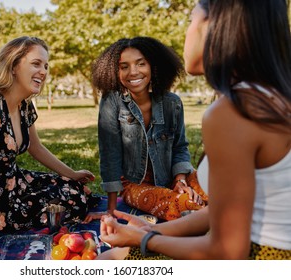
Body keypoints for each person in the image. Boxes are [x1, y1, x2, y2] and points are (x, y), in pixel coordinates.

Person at [98, 0, 291, 260]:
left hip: (264, 258)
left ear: (213, 27)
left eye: (190, 20)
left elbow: (227, 252)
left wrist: (144, 239)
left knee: (109, 259)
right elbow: (219, 212)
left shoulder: (233, 111)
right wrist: (153, 229)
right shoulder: (271, 96)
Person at [0, 36, 95, 255]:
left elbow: (36, 148)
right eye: (36, 63)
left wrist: (73, 174)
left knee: (75, 190)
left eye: (46, 66)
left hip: (17, 182)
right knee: (72, 201)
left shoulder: (24, 105)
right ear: (14, 66)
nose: (43, 71)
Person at [86, 36, 207, 223]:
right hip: (135, 185)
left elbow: (180, 147)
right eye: (124, 66)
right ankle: (207, 217)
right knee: (184, 205)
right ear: (114, 71)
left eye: (140, 64)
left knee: (222, 186)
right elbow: (110, 156)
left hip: (173, 177)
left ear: (152, 66)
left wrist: (180, 181)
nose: (133, 72)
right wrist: (111, 210)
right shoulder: (111, 102)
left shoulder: (172, 102)